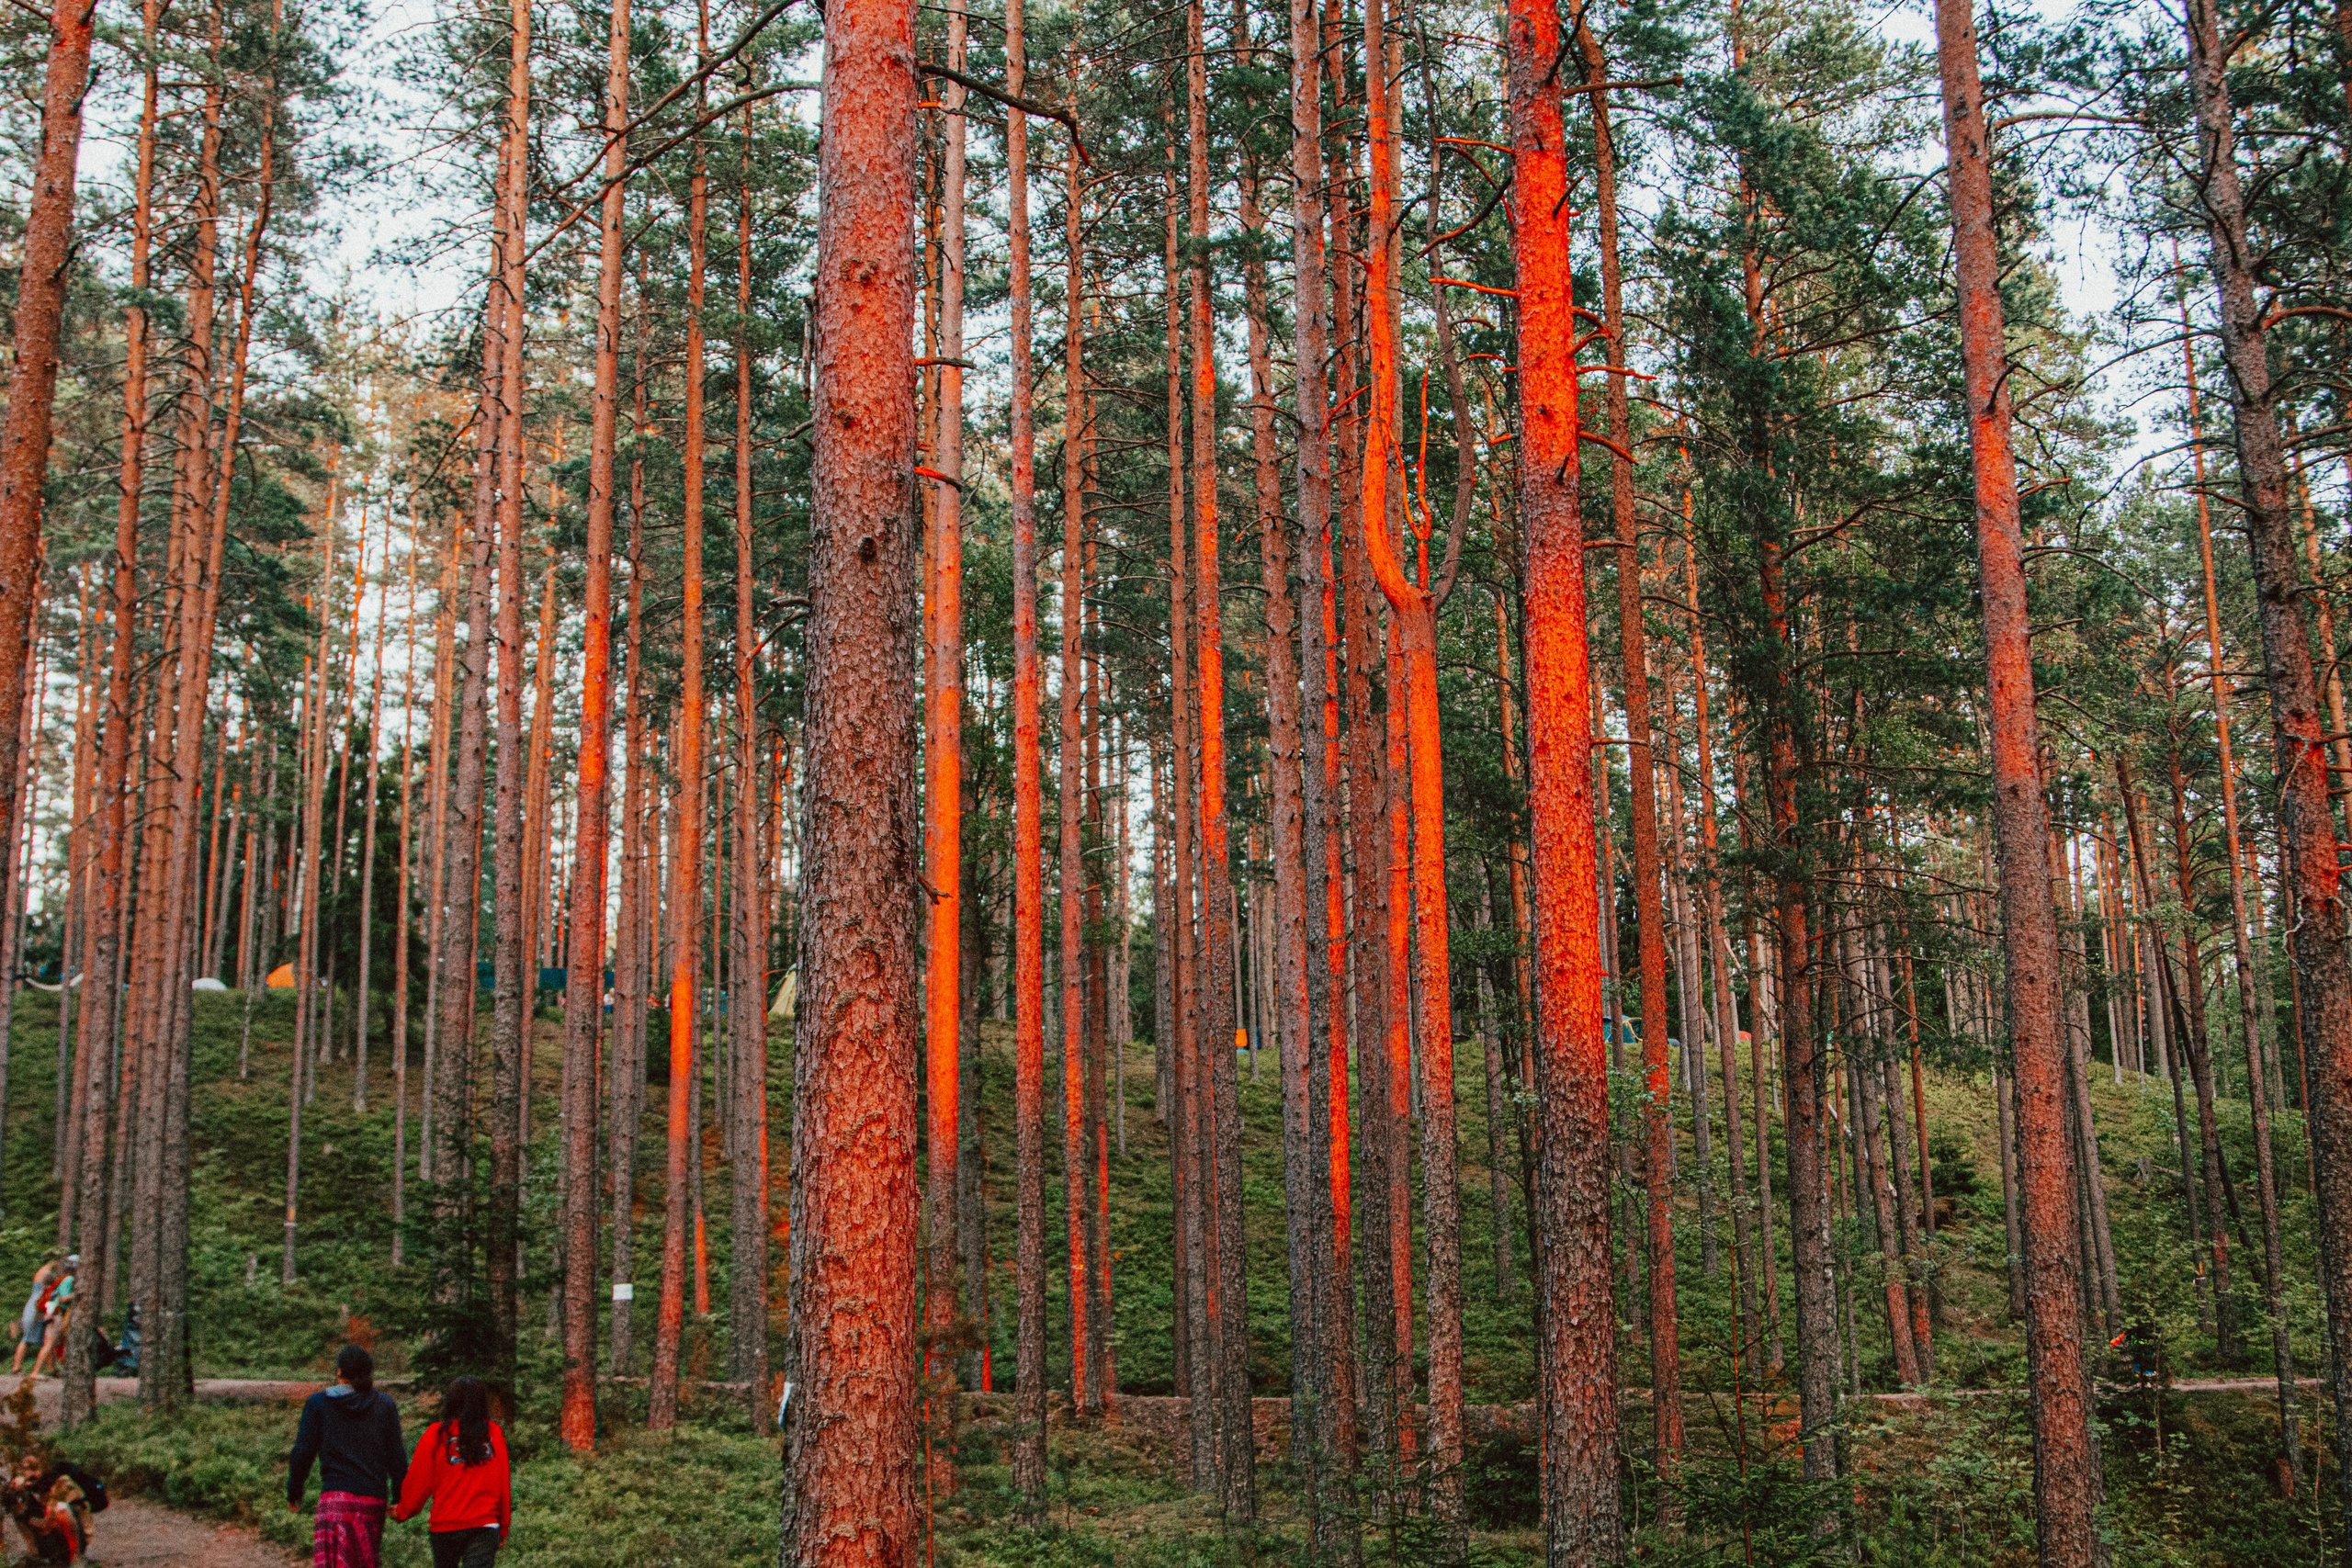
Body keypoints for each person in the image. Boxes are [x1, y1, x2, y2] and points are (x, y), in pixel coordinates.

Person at [288, 1344, 408, 1568]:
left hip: (334, 1503)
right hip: (371, 1502)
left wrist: (294, 1491)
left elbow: (303, 1452)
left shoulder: (318, 1403)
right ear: (369, 1374)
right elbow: (396, 1456)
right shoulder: (384, 1405)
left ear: (339, 1372)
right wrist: (399, 1497)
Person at [393, 1375, 511, 1568]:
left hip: (444, 1526)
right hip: (484, 1526)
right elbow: (503, 1484)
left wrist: (403, 1511)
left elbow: (419, 1481)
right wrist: (503, 1526)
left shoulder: (436, 1434)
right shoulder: (492, 1433)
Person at [3, 1451, 89, 1562]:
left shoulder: (60, 1482)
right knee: (17, 1509)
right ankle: (36, 1556)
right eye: (24, 1470)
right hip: (48, 1542)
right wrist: (20, 1499)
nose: (29, 1474)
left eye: (34, 1468)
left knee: (61, 1509)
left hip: (71, 1540)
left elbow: (49, 1522)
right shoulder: (26, 1490)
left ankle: (76, 1559)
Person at [30, 1260, 76, 1378]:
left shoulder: (62, 1279)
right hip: (56, 1315)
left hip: (50, 1314)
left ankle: (52, 1370)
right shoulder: (69, 1279)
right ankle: (35, 1372)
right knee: (49, 1344)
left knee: (49, 1344)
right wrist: (76, 1295)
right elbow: (62, 1299)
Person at [11, 1261, 57, 1375]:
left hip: (29, 1311)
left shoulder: (37, 1288)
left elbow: (38, 1274)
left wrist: (51, 1264)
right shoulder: (46, 1291)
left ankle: (51, 1369)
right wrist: (53, 1263)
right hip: (36, 1315)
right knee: (35, 1340)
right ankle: (17, 1367)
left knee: (40, 1341)